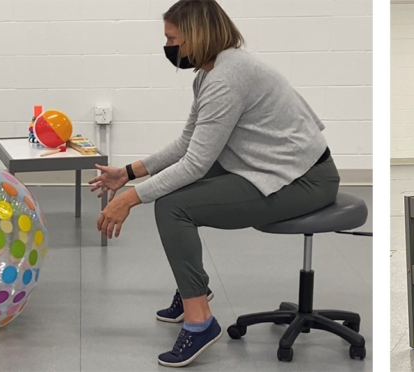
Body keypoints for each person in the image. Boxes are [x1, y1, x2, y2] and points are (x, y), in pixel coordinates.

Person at [87, 0, 339, 367]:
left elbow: (194, 164)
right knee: (171, 196)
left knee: (173, 206)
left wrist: (129, 198)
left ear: (197, 35)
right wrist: (127, 173)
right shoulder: (210, 72)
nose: (169, 47)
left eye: (173, 38)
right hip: (271, 167)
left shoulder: (226, 79)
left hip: (304, 180)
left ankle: (200, 321)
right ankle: (195, 290)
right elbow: (188, 142)